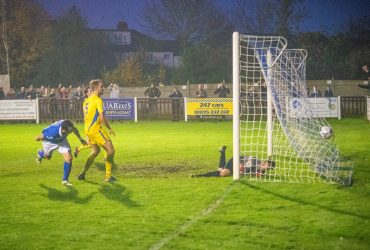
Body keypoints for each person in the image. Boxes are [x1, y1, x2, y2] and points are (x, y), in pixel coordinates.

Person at [78, 79, 116, 182]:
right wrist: (110, 128)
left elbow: (87, 117)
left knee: (95, 151)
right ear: (95, 88)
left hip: (88, 130)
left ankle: (83, 173)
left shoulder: (86, 101)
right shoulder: (97, 100)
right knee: (111, 150)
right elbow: (102, 118)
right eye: (101, 86)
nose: (103, 88)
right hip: (96, 129)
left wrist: (87, 134)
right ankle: (108, 176)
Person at [35, 120, 87, 186]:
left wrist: (80, 138)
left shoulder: (68, 127)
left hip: (61, 141)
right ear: (63, 130)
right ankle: (40, 154)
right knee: (48, 157)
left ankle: (65, 180)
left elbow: (74, 129)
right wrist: (37, 138)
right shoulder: (53, 133)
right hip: (49, 142)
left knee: (69, 158)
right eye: (69, 131)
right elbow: (41, 136)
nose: (70, 131)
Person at [191, 146, 275, 177]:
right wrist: (240, 166)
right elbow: (242, 163)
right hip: (235, 161)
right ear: (264, 162)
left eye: (269, 168)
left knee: (220, 169)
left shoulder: (260, 171)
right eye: (267, 165)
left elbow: (251, 172)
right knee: (223, 173)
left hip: (238, 166)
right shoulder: (254, 161)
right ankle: (198, 175)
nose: (267, 168)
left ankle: (222, 152)